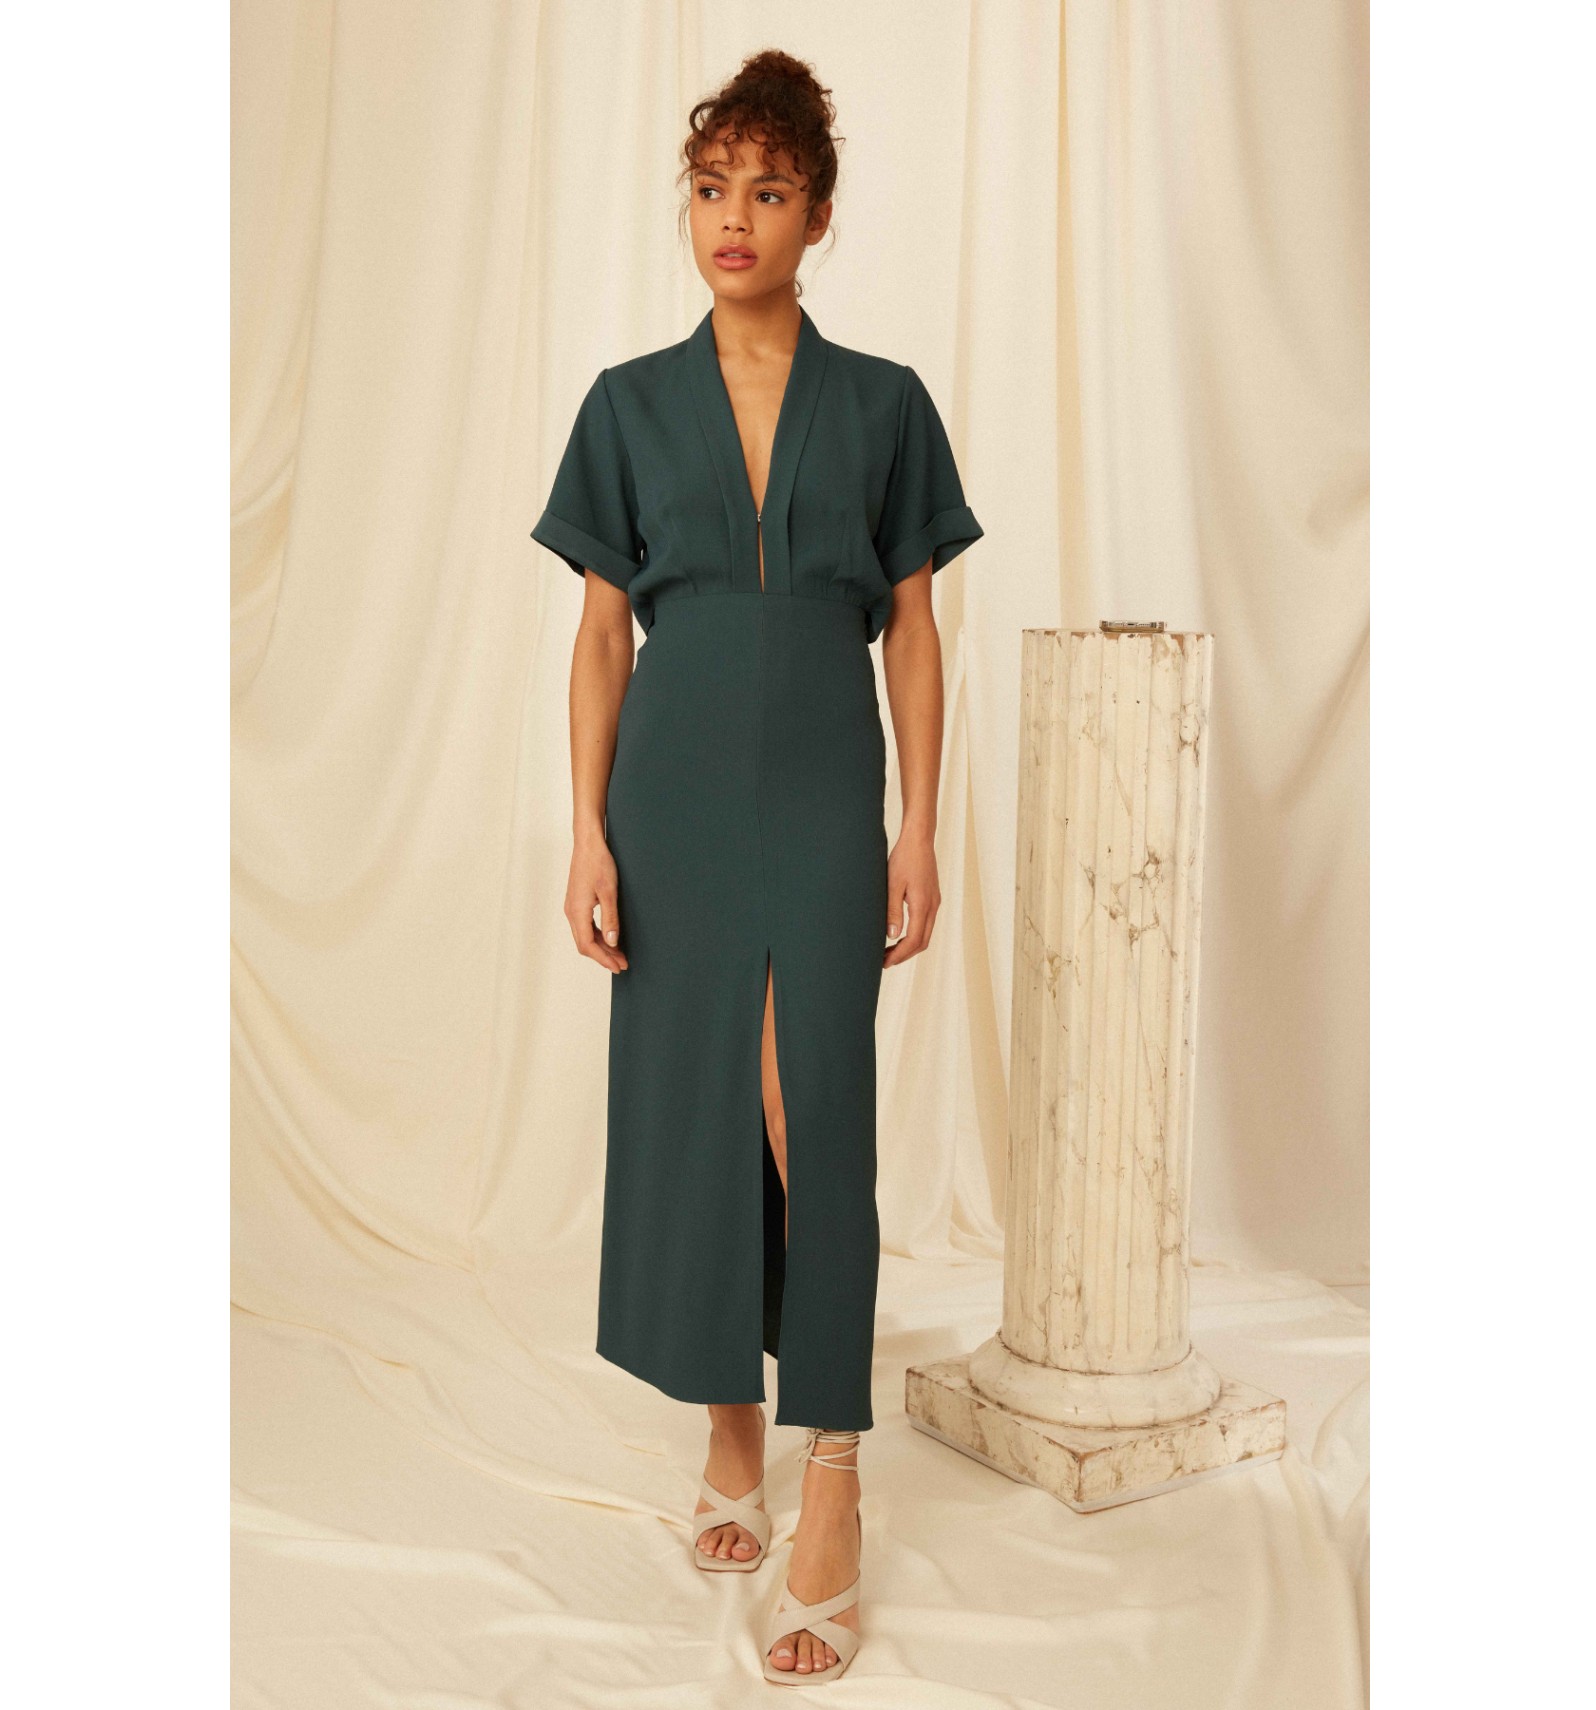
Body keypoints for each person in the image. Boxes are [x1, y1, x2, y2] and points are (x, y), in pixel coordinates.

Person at [531, 49, 982, 1687]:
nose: (735, 216)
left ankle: (834, 1463)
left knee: (815, 1111)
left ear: (820, 213)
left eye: (769, 189)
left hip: (820, 786)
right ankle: (732, 1423)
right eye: (713, 187)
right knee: (703, 1101)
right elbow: (600, 634)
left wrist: (918, 823)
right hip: (669, 797)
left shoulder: (886, 404)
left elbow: (913, 629)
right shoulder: (625, 402)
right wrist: (586, 826)